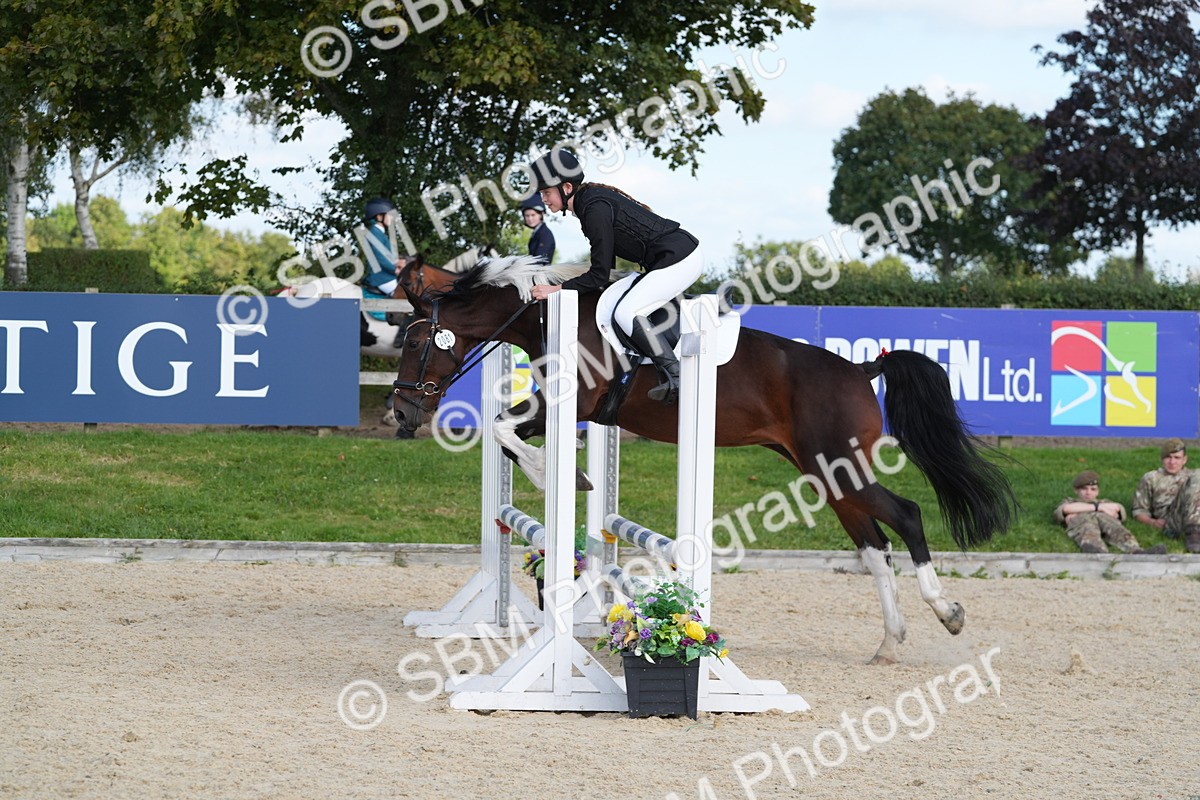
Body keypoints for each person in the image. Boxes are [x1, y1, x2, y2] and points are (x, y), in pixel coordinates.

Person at [527, 148, 702, 404]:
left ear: (566, 187)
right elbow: (604, 270)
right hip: (669, 258)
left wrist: (557, 289)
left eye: (546, 192)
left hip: (680, 257)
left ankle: (675, 377)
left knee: (626, 313)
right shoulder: (589, 204)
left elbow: (598, 275)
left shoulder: (593, 208)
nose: (543, 199)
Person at [1053, 470, 1165, 554]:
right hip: (1085, 524)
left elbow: (1118, 508)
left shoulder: (1104, 502)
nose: (1088, 493)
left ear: (1098, 491)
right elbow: (1065, 509)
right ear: (1076, 490)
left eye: (1093, 489)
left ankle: (1136, 551)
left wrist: (1097, 507)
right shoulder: (1070, 501)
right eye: (1084, 489)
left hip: (1106, 523)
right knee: (1087, 528)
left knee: (1117, 528)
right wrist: (1098, 508)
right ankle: (1098, 551)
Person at [1132, 438, 1200, 553]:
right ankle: (1194, 535)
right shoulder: (1151, 478)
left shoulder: (1191, 475)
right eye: (1168, 457)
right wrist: (1152, 522)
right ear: (1162, 459)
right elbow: (1139, 510)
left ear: (1184, 460)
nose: (1172, 462)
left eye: (1177, 458)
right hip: (1171, 519)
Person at [360, 197, 409, 296]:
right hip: (381, 278)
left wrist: (399, 261)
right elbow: (380, 257)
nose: (391, 218)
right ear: (379, 217)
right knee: (407, 294)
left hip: (387, 276)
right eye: (389, 215)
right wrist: (395, 269)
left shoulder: (380, 233)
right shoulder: (374, 233)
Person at [520, 195, 555, 264]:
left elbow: (539, 262)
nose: (530, 219)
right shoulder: (537, 233)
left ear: (541, 215)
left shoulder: (545, 234)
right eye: (527, 216)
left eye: (533, 215)